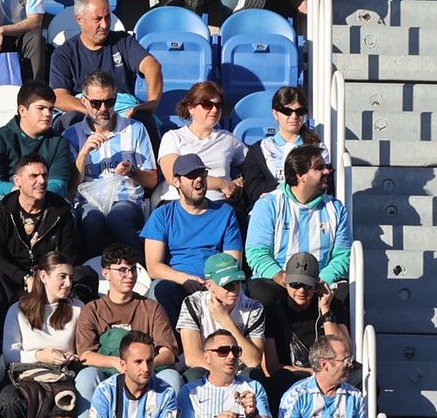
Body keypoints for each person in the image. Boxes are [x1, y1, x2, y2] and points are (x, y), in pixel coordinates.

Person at [74, 246, 185, 405]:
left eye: (133, 270)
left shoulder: (151, 307)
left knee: (171, 377)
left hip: (148, 373)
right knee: (86, 377)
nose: (129, 275)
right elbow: (85, 355)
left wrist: (144, 365)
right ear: (106, 274)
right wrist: (116, 362)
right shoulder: (92, 309)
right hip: (108, 374)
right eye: (122, 270)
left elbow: (168, 352)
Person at [65, 69, 159, 256]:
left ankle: (140, 269)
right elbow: (70, 188)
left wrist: (132, 171)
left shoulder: (135, 129)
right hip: (87, 201)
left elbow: (152, 181)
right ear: (84, 101)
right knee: (92, 220)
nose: (103, 109)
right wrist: (83, 154)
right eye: (96, 103)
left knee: (117, 218)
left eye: (109, 102)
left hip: (127, 199)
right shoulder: (72, 134)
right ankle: (96, 274)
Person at [245, 146, 350, 308]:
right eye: (319, 168)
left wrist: (318, 281)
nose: (327, 172)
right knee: (263, 293)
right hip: (278, 282)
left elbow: (343, 256)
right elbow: (256, 253)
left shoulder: (336, 208)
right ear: (300, 176)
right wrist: (283, 278)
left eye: (326, 167)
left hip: (319, 282)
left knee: (344, 294)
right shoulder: (268, 205)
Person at [0, 156, 81, 322]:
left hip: (50, 278)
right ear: (17, 181)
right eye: (34, 176)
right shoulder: (1, 212)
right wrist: (25, 278)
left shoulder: (60, 210)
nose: (41, 180)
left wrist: (45, 279)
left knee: (84, 274)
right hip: (13, 279)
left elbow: (69, 254)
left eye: (45, 175)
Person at [144, 153, 243, 320]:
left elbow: (234, 261)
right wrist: (184, 279)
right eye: (191, 176)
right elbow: (153, 267)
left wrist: (212, 284)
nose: (198, 179)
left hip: (217, 283)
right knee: (158, 290)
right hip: (177, 282)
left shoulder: (225, 213)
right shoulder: (162, 215)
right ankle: (166, 346)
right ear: (176, 182)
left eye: (202, 174)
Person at [50, 0, 165, 129]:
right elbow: (59, 96)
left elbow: (152, 66)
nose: (104, 25)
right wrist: (95, 111)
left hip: (121, 108)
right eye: (97, 19)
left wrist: (152, 103)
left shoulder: (123, 41)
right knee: (70, 121)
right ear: (80, 19)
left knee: (145, 120)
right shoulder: (64, 53)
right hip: (84, 110)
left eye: (107, 17)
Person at [178, 328, 274, 418]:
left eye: (235, 351)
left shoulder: (253, 387)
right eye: (223, 351)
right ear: (207, 357)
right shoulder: (190, 391)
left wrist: (254, 414)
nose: (231, 356)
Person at [263, 254, 349, 398]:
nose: (302, 291)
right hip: (292, 377)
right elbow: (271, 367)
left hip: (331, 376)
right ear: (284, 279)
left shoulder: (333, 306)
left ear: (317, 284)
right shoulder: (273, 311)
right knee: (281, 379)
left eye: (308, 286)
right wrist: (314, 373)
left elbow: (344, 349)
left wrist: (326, 311)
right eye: (295, 284)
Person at [275, 335, 367, 418]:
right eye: (345, 360)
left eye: (350, 359)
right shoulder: (297, 395)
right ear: (325, 364)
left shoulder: (354, 396)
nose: (350, 364)